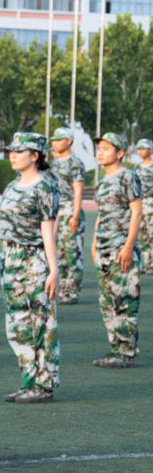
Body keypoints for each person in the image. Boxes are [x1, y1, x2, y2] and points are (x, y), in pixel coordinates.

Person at [0, 132, 60, 403]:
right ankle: (27, 379)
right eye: (10, 151)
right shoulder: (12, 185)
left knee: (40, 321)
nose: (12, 155)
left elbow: (48, 231)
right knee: (17, 322)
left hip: (34, 259)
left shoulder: (45, 187)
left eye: (18, 151)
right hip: (11, 259)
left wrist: (53, 269)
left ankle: (43, 384)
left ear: (35, 156)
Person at [90, 132, 142, 368]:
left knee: (124, 299)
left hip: (121, 248)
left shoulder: (127, 177)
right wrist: (94, 242)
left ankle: (126, 350)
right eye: (99, 148)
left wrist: (129, 246)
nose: (100, 152)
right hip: (103, 248)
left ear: (120, 154)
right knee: (107, 302)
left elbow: (136, 211)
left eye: (106, 148)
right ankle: (116, 349)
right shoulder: (102, 181)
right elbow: (102, 214)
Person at [48, 127, 87, 302]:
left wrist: (75, 215)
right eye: (53, 140)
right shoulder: (54, 163)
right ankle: (61, 288)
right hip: (55, 210)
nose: (54, 143)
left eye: (58, 140)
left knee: (72, 251)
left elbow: (78, 190)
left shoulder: (75, 163)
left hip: (69, 208)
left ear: (69, 141)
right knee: (57, 251)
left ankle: (72, 291)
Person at [134, 138, 153, 276]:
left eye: (143, 148)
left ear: (150, 150)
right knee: (142, 235)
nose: (140, 151)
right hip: (141, 204)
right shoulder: (137, 168)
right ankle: (145, 263)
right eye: (138, 149)